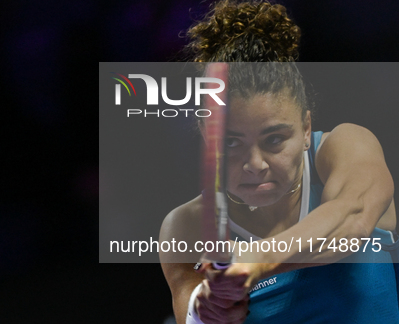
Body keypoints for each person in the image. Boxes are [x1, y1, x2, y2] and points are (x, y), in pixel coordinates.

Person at [159, 1, 399, 323]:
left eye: (274, 140)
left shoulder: (346, 147)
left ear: (306, 128)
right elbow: (194, 316)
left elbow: (352, 218)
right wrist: (209, 307)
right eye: (232, 143)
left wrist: (257, 260)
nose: (254, 164)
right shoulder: (184, 227)